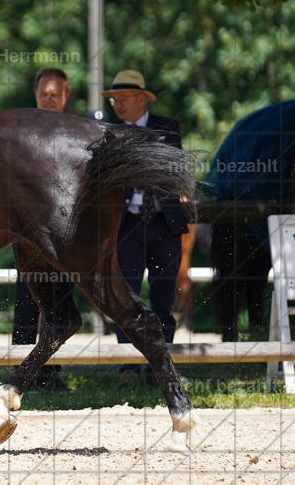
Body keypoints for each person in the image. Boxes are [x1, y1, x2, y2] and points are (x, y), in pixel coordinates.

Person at [101, 69, 188, 387]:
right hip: (126, 225)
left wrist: (183, 185)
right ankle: (128, 365)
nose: (117, 106)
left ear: (141, 98)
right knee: (126, 296)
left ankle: (159, 366)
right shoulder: (108, 131)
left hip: (164, 222)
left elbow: (179, 165)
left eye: (122, 99)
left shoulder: (168, 127)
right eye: (113, 101)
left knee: (164, 296)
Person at [11, 68, 72, 391]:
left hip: (64, 236)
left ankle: (51, 373)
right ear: (36, 95)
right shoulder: (23, 131)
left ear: (66, 96)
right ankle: (23, 373)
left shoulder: (76, 134)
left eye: (55, 93)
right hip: (29, 234)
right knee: (26, 304)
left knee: (60, 304)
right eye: (44, 93)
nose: (49, 98)